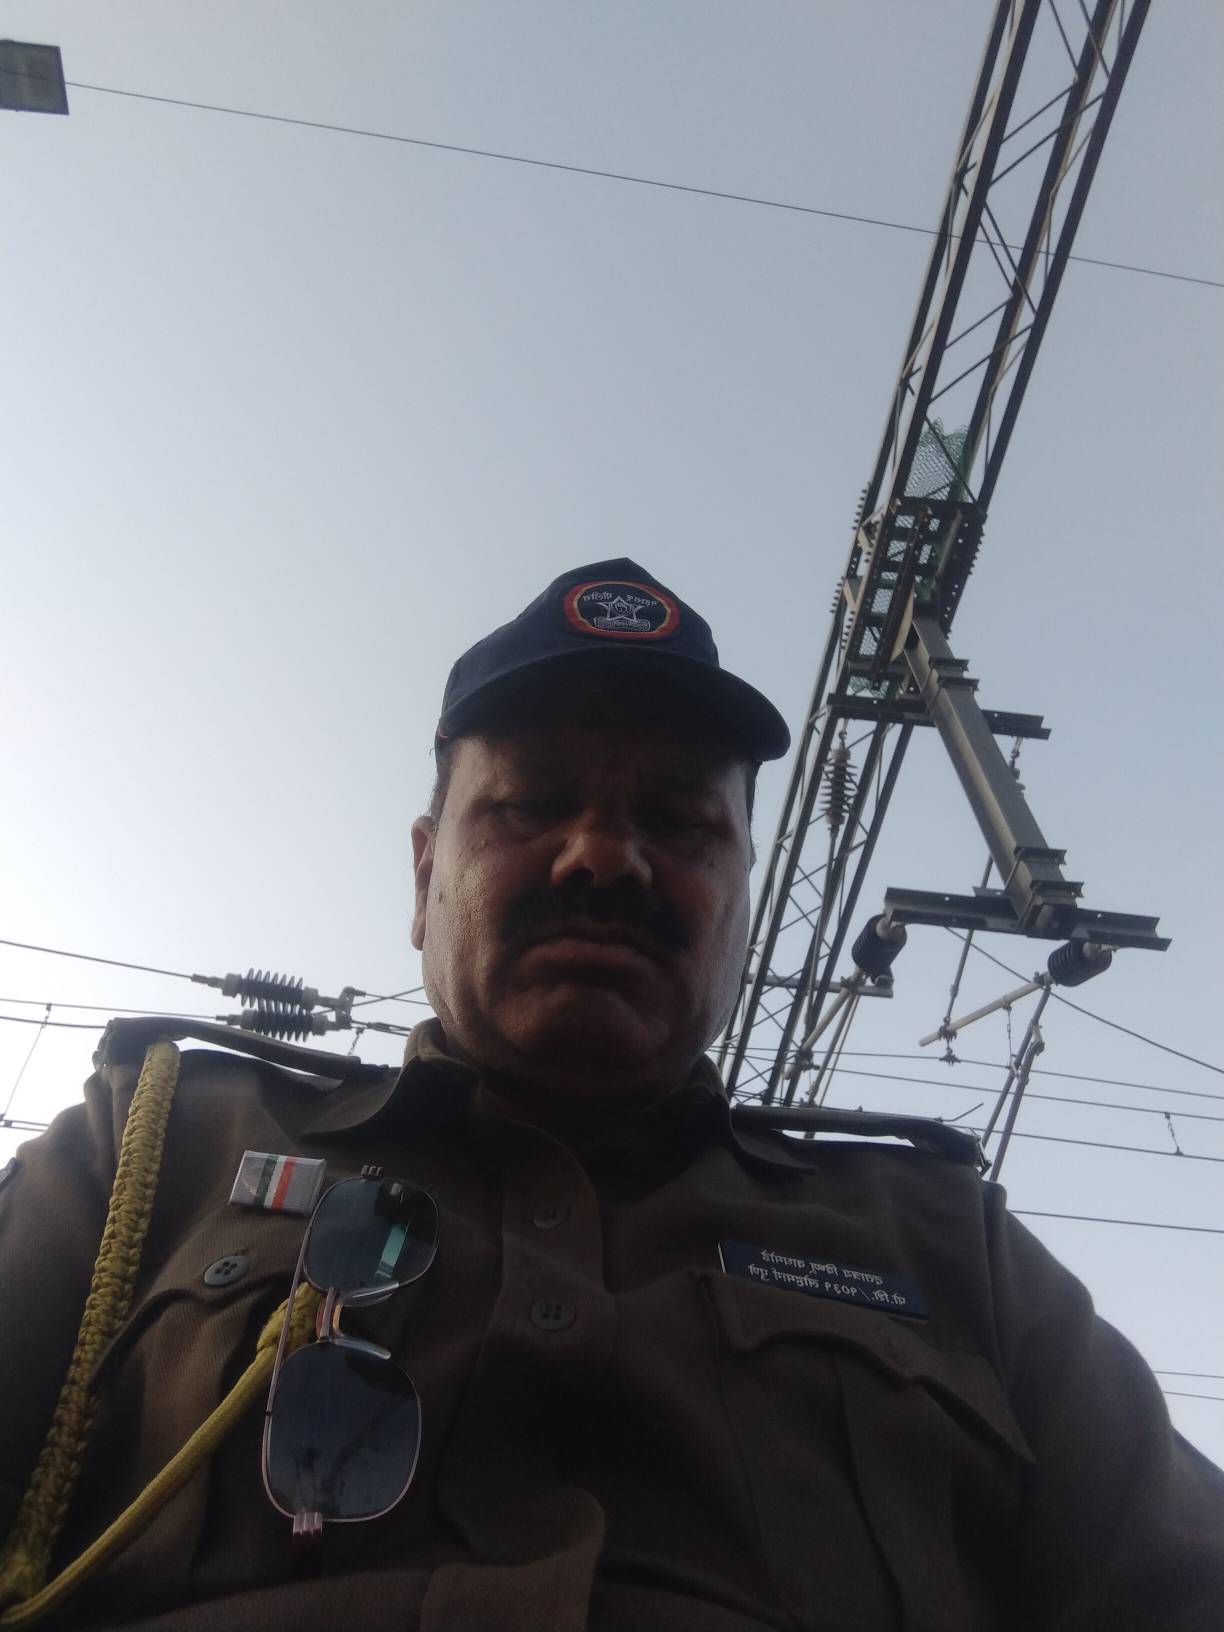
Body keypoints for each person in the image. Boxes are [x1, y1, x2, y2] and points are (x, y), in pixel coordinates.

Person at [0, 558, 1220, 1632]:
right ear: (425, 876)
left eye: (680, 822)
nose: (603, 856)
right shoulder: (156, 1149)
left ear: (744, 903)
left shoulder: (952, 1247)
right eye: (532, 804)